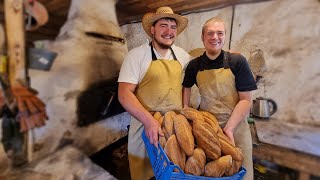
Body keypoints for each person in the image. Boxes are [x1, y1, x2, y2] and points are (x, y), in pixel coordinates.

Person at [118, 6, 191, 180]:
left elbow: (188, 84)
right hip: (145, 128)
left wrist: (227, 55)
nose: (169, 31)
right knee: (144, 174)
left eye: (173, 27)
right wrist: (149, 121)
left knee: (173, 174)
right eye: (163, 25)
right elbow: (124, 94)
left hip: (173, 130)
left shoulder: (183, 56)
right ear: (152, 29)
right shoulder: (136, 56)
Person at [182, 17, 257, 180]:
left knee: (240, 173)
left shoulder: (237, 61)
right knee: (210, 173)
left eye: (219, 33)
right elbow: (186, 87)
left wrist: (228, 129)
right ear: (202, 37)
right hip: (207, 130)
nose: (214, 37)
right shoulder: (194, 65)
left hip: (235, 129)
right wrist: (186, 111)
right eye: (210, 33)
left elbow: (246, 100)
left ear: (224, 36)